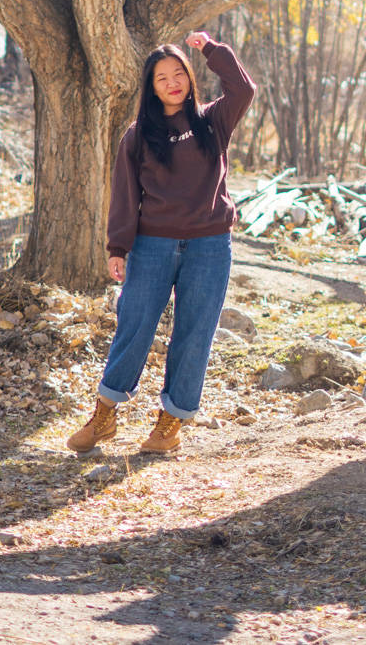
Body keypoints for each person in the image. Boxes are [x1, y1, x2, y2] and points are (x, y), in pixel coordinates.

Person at [67, 30, 255, 456]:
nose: (173, 83)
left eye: (179, 74)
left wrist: (210, 49)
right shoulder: (138, 136)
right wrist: (118, 247)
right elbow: (125, 195)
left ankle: (169, 426)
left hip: (209, 247)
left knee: (194, 334)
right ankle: (104, 416)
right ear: (150, 88)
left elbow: (243, 87)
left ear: (189, 77)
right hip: (153, 245)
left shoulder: (212, 122)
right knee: (133, 328)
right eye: (162, 78)